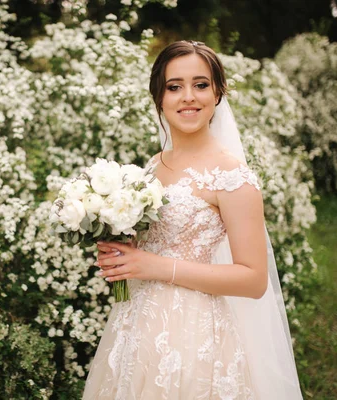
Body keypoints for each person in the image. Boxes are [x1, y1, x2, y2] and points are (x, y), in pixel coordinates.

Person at [82, 41, 303, 399]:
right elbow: (150, 245)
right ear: (160, 97)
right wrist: (121, 252)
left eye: (201, 85)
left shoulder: (232, 175)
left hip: (195, 337)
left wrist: (154, 266)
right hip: (136, 327)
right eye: (174, 86)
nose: (188, 96)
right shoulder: (153, 165)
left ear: (217, 94)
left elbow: (253, 279)